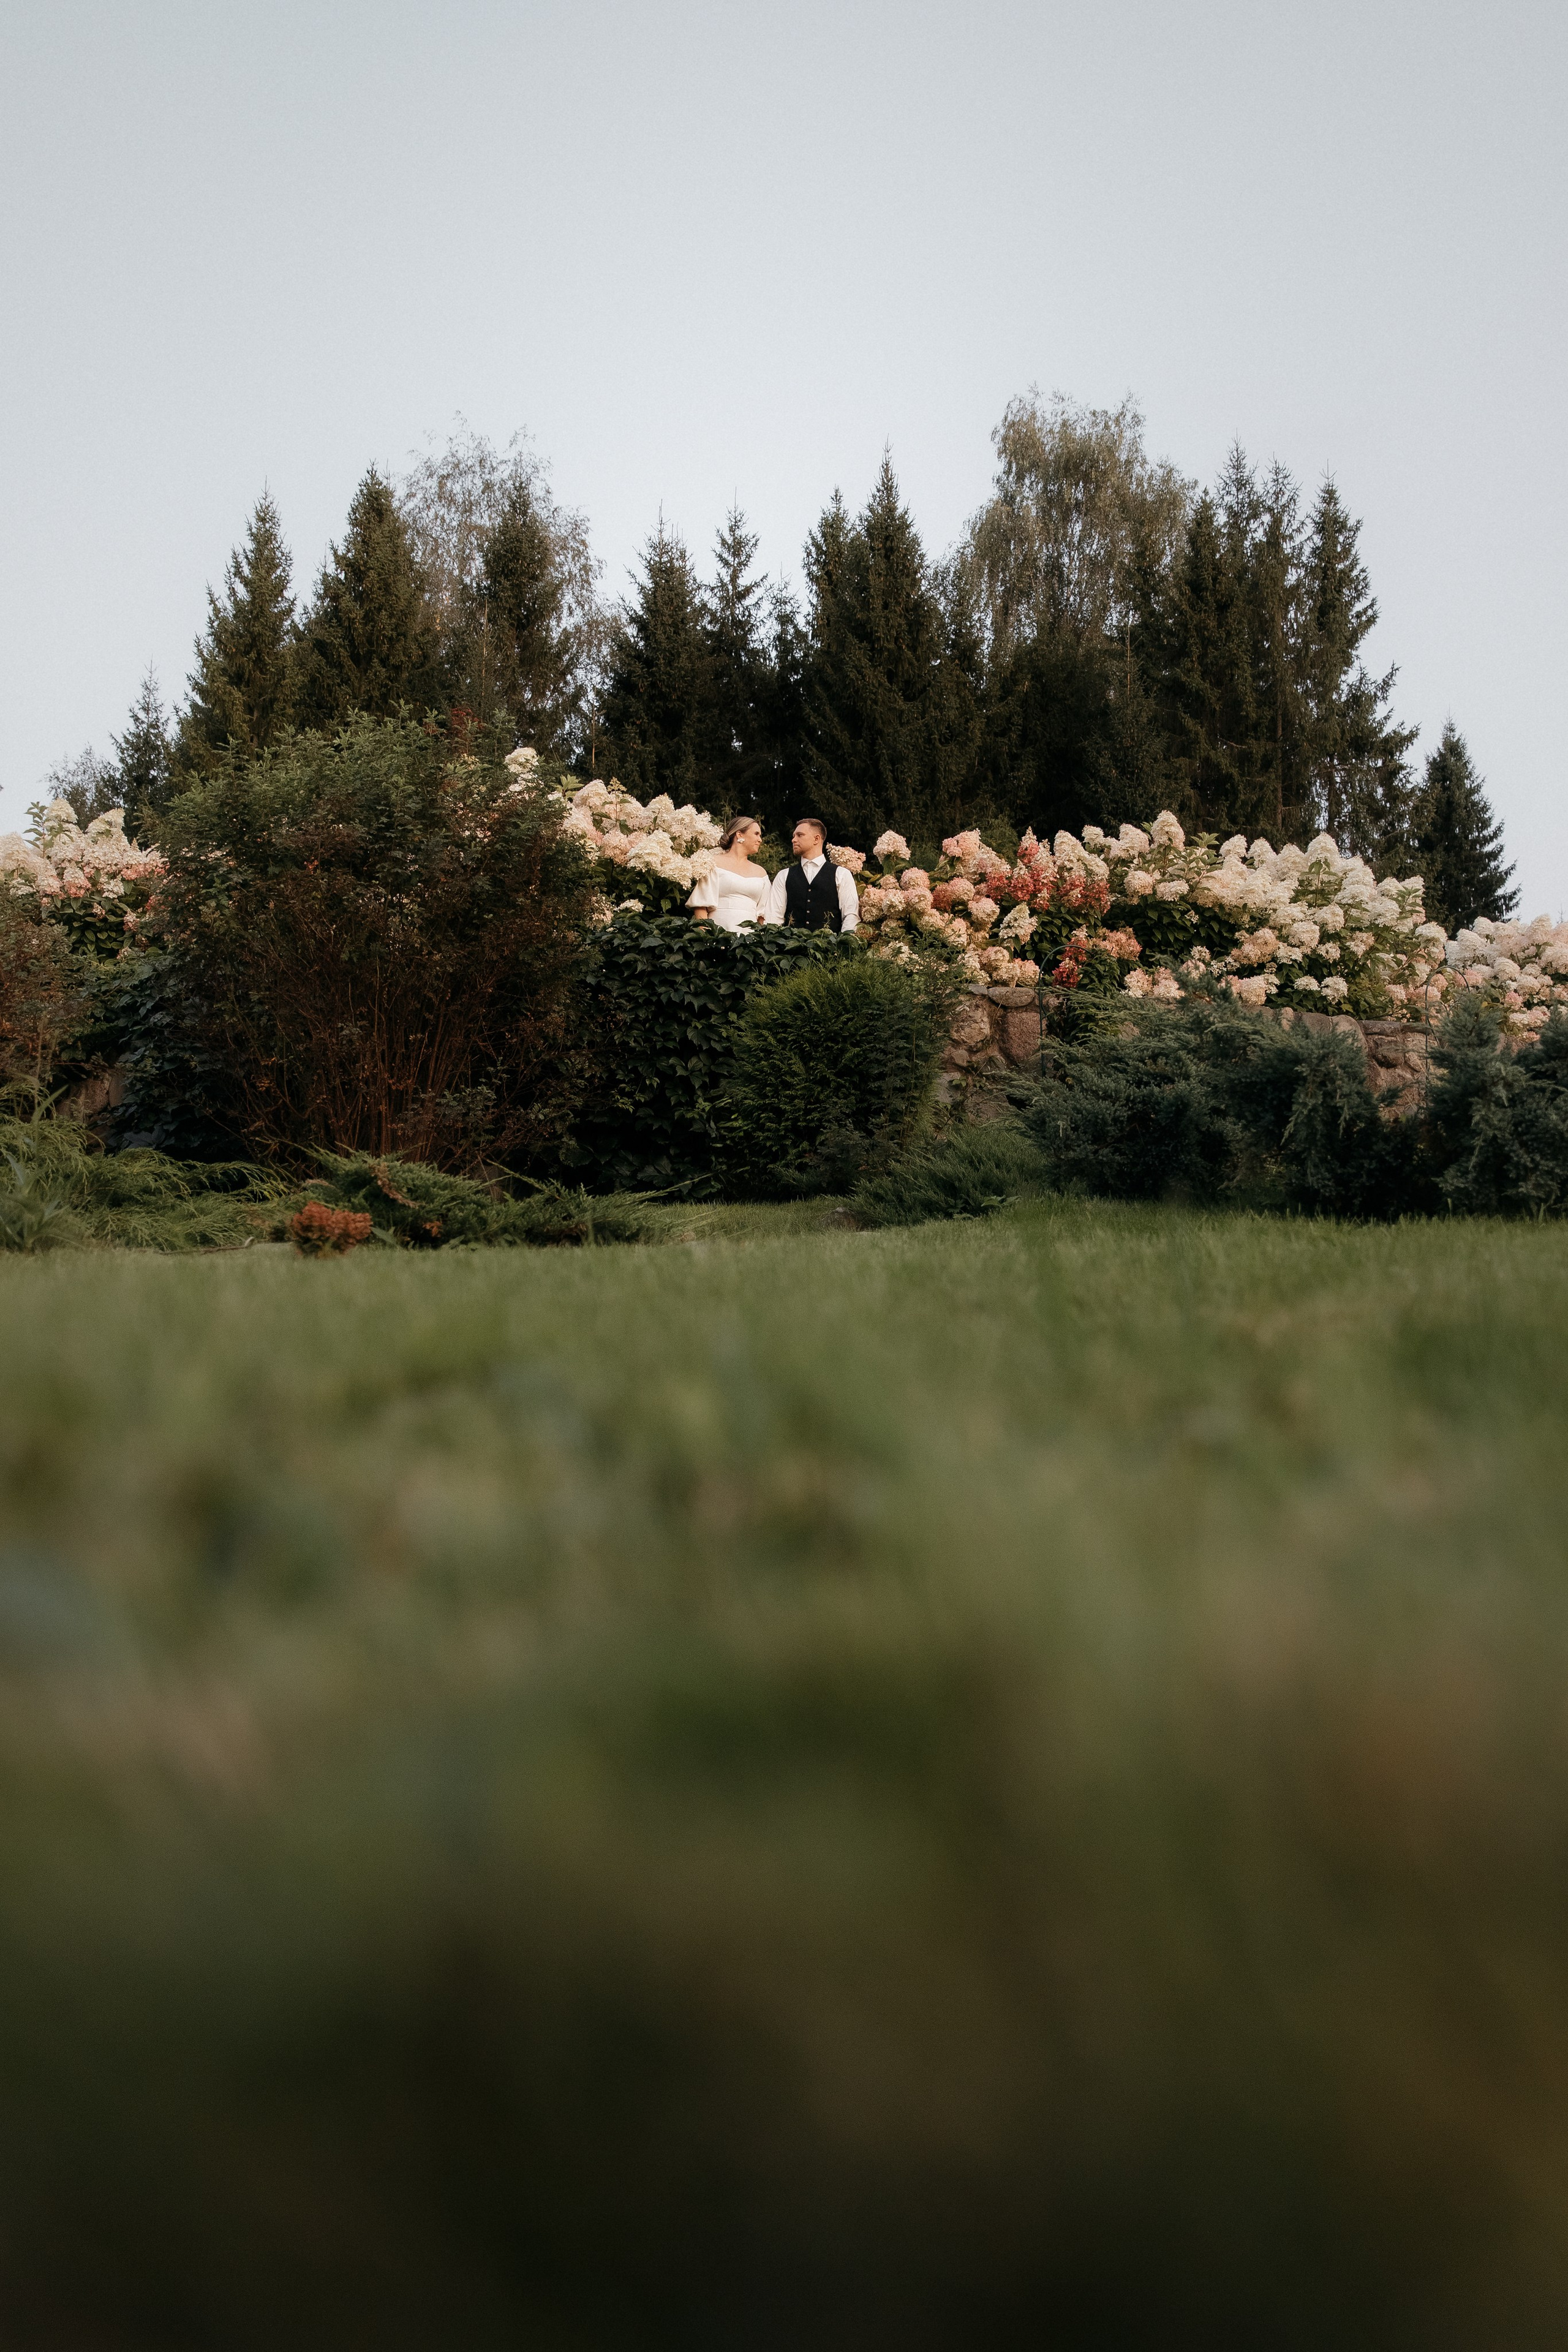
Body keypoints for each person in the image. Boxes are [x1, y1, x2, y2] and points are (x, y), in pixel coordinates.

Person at [767, 816, 859, 933]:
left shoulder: (841, 874)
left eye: (800, 835)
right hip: (790, 950)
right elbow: (773, 918)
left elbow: (851, 916)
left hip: (830, 950)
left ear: (816, 839)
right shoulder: (783, 876)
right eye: (794, 836)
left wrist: (842, 947)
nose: (794, 840)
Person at [686, 815, 775, 931]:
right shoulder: (714, 863)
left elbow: (763, 917)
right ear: (740, 835)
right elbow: (701, 906)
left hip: (751, 939)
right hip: (718, 934)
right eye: (756, 834)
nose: (760, 839)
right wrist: (706, 939)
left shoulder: (761, 873)